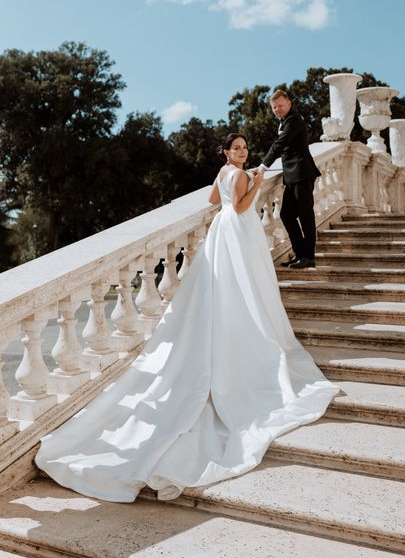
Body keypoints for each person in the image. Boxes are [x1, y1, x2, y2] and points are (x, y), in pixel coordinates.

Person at [35, 134, 338, 503]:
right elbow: (242, 208)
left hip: (221, 231)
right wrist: (257, 182)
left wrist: (234, 191)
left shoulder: (222, 172)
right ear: (227, 152)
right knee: (248, 283)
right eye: (237, 149)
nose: (242, 152)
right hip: (238, 229)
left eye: (244, 148)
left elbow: (214, 200)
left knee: (225, 283)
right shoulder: (241, 175)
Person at [259, 89, 320, 269]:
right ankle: (299, 253)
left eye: (280, 105)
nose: (277, 109)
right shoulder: (284, 121)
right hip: (293, 176)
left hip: (302, 174)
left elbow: (279, 145)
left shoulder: (293, 121)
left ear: (289, 104)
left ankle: (308, 256)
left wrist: (263, 166)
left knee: (306, 216)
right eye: (274, 107)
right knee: (286, 214)